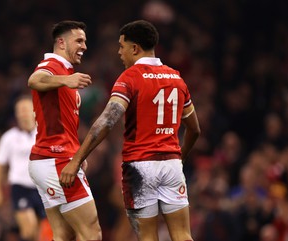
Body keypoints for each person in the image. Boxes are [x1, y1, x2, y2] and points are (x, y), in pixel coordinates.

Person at [60, 20, 201, 241]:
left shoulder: (130, 77)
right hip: (171, 164)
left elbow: (107, 121)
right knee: (183, 235)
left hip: (140, 167)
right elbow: (194, 129)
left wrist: (76, 160)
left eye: (121, 46)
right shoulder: (176, 78)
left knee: (147, 237)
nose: (119, 52)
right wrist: (180, 157)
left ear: (134, 48)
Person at [27, 20, 102, 241]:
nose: (84, 46)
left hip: (51, 159)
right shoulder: (51, 66)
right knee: (92, 234)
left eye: (85, 41)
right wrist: (65, 80)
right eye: (79, 40)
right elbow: (34, 80)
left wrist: (76, 153)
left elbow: (64, 122)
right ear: (61, 42)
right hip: (55, 159)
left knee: (63, 235)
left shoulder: (65, 71)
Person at [0, 95, 46, 241]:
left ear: (35, 111)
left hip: (43, 188)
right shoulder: (9, 137)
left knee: (41, 232)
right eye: (20, 111)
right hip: (20, 187)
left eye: (25, 110)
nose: (23, 114)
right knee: (29, 229)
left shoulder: (45, 134)